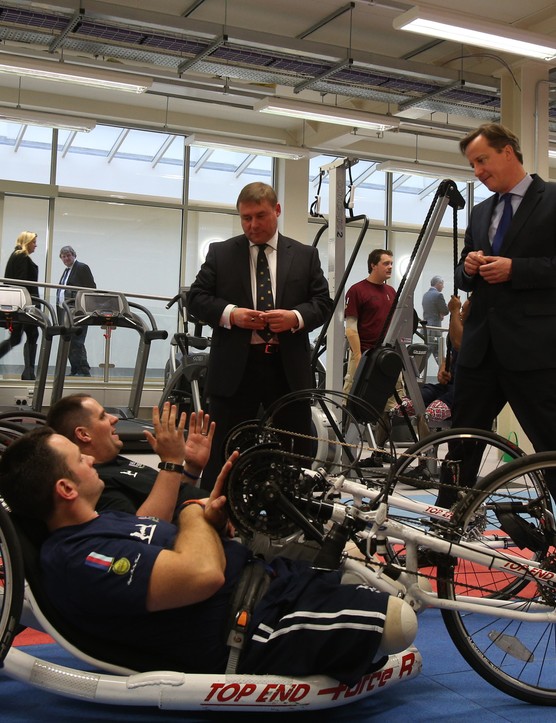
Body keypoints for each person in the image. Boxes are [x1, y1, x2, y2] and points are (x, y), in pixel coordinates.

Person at [0, 426, 417, 683]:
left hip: (270, 583)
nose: (90, 459)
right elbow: (201, 575)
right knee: (401, 623)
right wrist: (193, 514)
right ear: (66, 489)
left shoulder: (102, 524)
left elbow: (187, 545)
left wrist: (210, 518)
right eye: (79, 459)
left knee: (374, 585)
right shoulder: (78, 559)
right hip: (256, 626)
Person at [438, 122, 556, 507]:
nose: (477, 172)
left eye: (482, 160)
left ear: (508, 151)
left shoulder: (553, 200)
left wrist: (516, 269)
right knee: (461, 448)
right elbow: (462, 277)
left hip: (533, 353)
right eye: (472, 164)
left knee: (551, 447)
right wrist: (468, 268)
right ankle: (444, 533)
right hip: (479, 352)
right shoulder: (479, 211)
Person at [188, 182, 333, 490]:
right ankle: (213, 518)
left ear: (277, 211)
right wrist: (231, 314)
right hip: (236, 370)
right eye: (245, 218)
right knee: (223, 450)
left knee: (296, 451)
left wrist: (294, 318)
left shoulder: (305, 256)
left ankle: (293, 516)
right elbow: (197, 298)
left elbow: (323, 303)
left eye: (260, 216)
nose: (252, 225)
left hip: (287, 369)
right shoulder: (222, 253)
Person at [46, 394, 212, 520]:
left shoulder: (114, 460)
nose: (115, 418)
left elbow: (173, 500)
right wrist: (171, 463)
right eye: (103, 416)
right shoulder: (97, 483)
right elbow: (142, 531)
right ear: (83, 434)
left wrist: (192, 468)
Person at [343, 249, 401, 465]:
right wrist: (358, 357)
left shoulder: (392, 291)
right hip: (364, 355)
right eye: (385, 263)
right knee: (354, 402)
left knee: (390, 405)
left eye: (391, 263)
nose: (390, 267)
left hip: (386, 357)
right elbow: (351, 328)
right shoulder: (357, 290)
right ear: (372, 265)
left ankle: (380, 452)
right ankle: (348, 456)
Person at [0, 231, 40, 380]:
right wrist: (30, 306)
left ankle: (29, 372)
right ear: (27, 242)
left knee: (17, 338)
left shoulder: (16, 255)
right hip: (24, 306)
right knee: (31, 335)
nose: (36, 245)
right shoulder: (22, 256)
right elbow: (22, 283)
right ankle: (29, 373)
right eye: (34, 242)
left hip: (19, 305)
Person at [57, 245, 96, 376]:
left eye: (68, 255)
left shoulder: (81, 268)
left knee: (76, 341)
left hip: (78, 311)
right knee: (72, 341)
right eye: (63, 256)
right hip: (65, 311)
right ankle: (82, 370)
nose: (66, 258)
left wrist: (83, 308)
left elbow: (91, 288)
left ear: (74, 255)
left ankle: (79, 370)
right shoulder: (66, 271)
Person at [421, 276, 448, 362]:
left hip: (426, 329)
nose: (443, 287)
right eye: (442, 284)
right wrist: (442, 313)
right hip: (434, 329)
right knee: (435, 352)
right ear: (438, 284)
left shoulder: (425, 295)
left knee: (432, 352)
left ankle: (415, 372)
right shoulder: (438, 295)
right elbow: (445, 310)